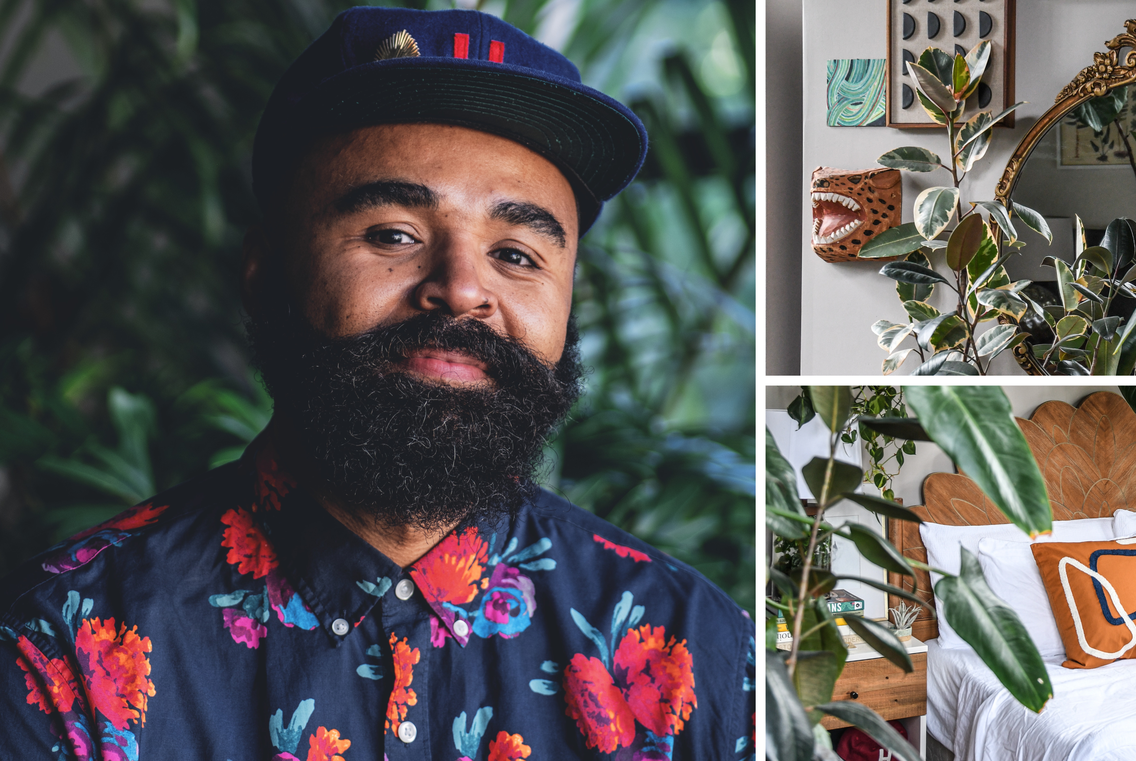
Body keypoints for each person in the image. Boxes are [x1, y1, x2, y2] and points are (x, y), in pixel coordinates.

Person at [0, 8, 753, 760]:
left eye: (517, 254)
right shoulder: (61, 649)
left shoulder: (694, 652)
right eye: (393, 234)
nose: (461, 290)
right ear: (265, 275)